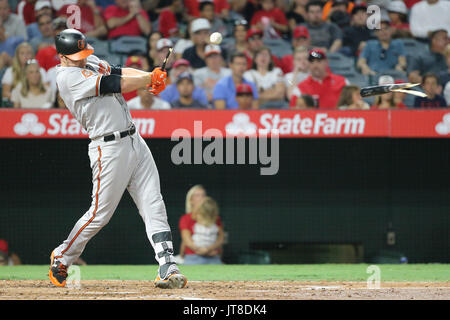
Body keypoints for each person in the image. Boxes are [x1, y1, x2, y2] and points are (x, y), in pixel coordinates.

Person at [49, 29, 187, 289]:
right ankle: (63, 254)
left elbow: (119, 73)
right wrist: (149, 77)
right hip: (107, 148)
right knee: (99, 214)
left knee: (153, 201)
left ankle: (167, 263)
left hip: (135, 139)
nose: (80, 59)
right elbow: (113, 84)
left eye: (82, 53)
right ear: (62, 57)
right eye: (75, 56)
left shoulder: (87, 61)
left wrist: (149, 78)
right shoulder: (66, 77)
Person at [179, 196, 225, 265]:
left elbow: (220, 238)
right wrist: (182, 254)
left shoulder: (215, 220)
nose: (201, 198)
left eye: (203, 195)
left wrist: (209, 250)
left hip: (212, 256)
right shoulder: (188, 218)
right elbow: (186, 241)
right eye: (198, 196)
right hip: (193, 256)